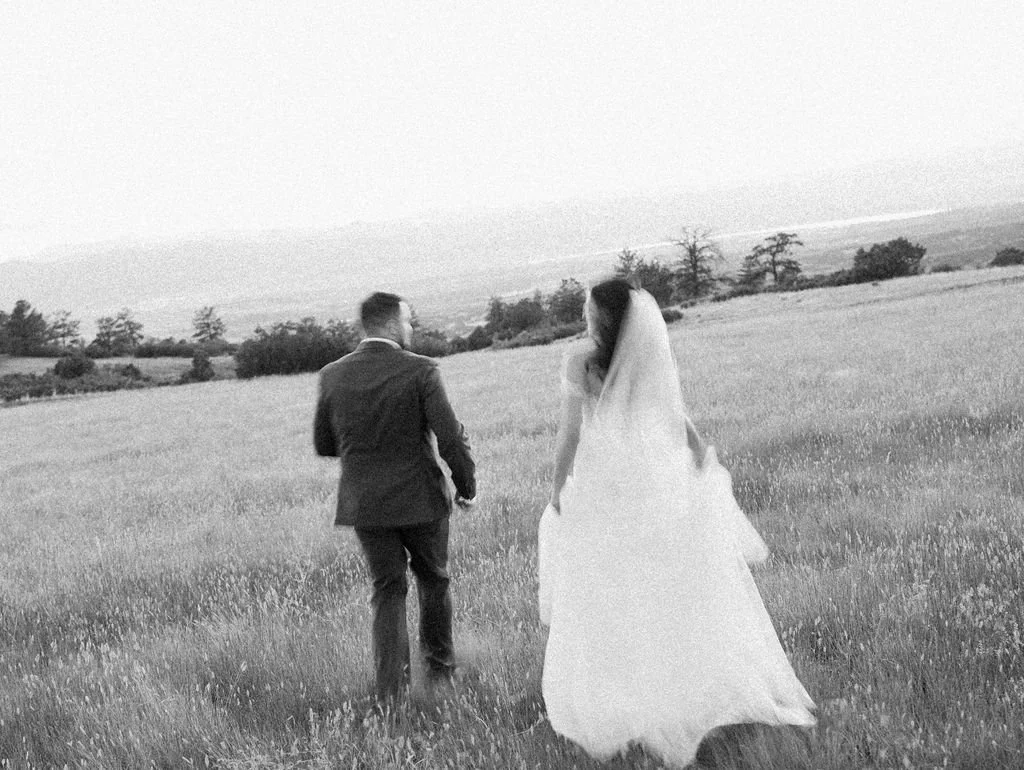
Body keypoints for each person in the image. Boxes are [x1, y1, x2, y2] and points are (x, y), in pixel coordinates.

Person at [539, 278, 815, 767]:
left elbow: (570, 434)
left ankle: (624, 699)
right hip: (650, 480)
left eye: (588, 307)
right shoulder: (646, 352)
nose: (584, 313)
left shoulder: (579, 359)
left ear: (600, 315)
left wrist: (558, 489)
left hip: (606, 484)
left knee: (612, 593)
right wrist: (698, 451)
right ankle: (675, 690)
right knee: (661, 588)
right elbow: (674, 411)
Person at [314, 291, 476, 708]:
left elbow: (325, 444)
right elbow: (450, 437)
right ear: (389, 324)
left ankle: (391, 692)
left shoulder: (332, 374)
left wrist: (364, 447)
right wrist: (466, 486)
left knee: (387, 590)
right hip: (422, 500)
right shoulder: (421, 369)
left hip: (366, 505)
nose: (410, 328)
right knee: (433, 580)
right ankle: (439, 670)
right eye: (407, 321)